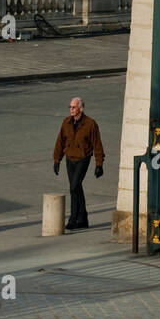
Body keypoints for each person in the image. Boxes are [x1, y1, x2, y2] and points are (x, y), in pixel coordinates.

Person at [52, 97, 105, 230]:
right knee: (76, 188)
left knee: (74, 187)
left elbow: (97, 144)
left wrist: (99, 164)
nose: (71, 109)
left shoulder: (90, 124)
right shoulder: (66, 122)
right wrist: (57, 159)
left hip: (83, 158)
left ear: (81, 108)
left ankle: (73, 219)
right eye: (70, 107)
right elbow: (60, 141)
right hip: (70, 158)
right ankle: (83, 219)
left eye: (74, 107)